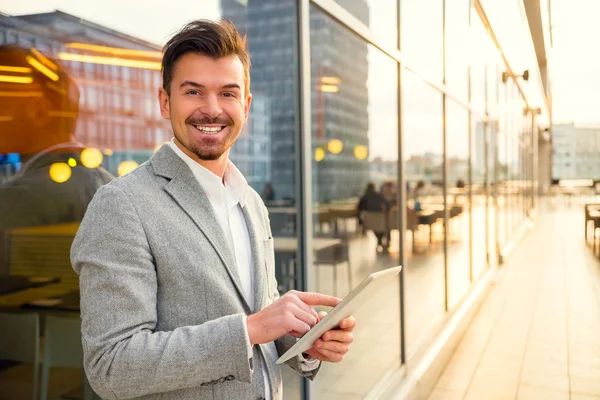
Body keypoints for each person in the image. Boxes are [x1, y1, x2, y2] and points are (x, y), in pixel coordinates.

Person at [71, 20, 355, 400]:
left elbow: (258, 314)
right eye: (193, 92)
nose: (211, 109)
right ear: (165, 101)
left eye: (228, 93)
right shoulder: (122, 205)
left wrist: (304, 341)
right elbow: (112, 365)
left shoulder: (250, 202)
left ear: (246, 106)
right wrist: (251, 328)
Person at [357, 182, 389, 251]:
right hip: (380, 220)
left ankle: (380, 241)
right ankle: (381, 241)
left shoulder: (364, 197)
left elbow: (359, 209)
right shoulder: (380, 196)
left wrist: (360, 222)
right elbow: (387, 205)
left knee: (377, 228)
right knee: (383, 226)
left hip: (369, 221)